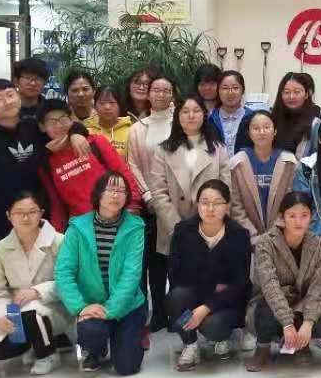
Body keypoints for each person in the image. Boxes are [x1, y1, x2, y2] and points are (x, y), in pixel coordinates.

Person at [149, 94, 241, 330]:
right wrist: (180, 228)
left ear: (204, 115)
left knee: (213, 278)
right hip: (174, 227)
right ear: (177, 116)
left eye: (196, 111)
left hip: (211, 225)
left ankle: (210, 323)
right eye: (185, 111)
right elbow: (159, 192)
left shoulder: (217, 149)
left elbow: (226, 189)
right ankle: (186, 332)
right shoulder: (163, 150)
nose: (191, 116)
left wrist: (212, 220)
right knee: (181, 283)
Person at [0, 78, 86, 253]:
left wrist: (75, 134)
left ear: (18, 97)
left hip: (41, 208)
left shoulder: (33, 125)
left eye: (10, 95)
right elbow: (0, 176)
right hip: (6, 212)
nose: (7, 102)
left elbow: (67, 126)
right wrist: (45, 153)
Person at [55, 171, 147, 375]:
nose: (116, 195)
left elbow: (131, 276)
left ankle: (121, 335)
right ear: (98, 194)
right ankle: (95, 349)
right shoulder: (77, 227)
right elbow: (63, 272)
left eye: (121, 191)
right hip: (92, 305)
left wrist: (110, 311)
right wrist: (80, 307)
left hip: (127, 305)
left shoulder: (135, 227)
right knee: (91, 332)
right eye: (111, 190)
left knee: (127, 367)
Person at [0, 191, 69, 375]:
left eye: (32, 212)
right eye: (19, 212)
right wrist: (0, 316)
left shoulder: (60, 241)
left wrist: (37, 292)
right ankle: (34, 343)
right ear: (8, 215)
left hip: (56, 305)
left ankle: (47, 354)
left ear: (41, 213)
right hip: (15, 310)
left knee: (33, 313)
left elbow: (71, 282)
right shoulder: (0, 250)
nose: (26, 217)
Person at [166, 180, 251, 370]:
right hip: (194, 295)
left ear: (227, 206)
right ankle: (190, 344)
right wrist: (199, 299)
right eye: (205, 202)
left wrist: (207, 307)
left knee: (213, 326)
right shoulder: (183, 231)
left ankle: (222, 337)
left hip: (226, 302)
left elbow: (239, 284)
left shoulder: (239, 235)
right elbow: (175, 275)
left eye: (217, 203)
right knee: (176, 297)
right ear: (197, 204)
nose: (210, 208)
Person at [244, 191, 321, 371]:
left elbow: (319, 287)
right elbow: (270, 286)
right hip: (270, 303)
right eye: (292, 216)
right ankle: (262, 348)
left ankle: (302, 345)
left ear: (311, 217)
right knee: (265, 311)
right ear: (282, 217)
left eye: (304, 215)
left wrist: (308, 323)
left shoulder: (319, 245)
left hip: (302, 303)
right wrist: (287, 322)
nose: (298, 221)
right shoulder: (265, 243)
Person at [36, 99, 139, 229]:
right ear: (42, 126)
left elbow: (123, 173)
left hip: (118, 218)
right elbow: (57, 204)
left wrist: (133, 206)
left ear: (71, 119)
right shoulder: (47, 163)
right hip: (83, 228)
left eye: (63, 119)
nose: (59, 125)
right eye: (52, 122)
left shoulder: (96, 143)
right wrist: (58, 232)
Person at [125, 73, 176, 326]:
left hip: (177, 203)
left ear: (172, 94)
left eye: (166, 90)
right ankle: (154, 315)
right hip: (149, 206)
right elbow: (132, 163)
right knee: (151, 261)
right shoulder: (138, 128)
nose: (161, 94)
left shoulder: (181, 124)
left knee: (175, 260)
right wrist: (148, 196)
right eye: (156, 90)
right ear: (149, 94)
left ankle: (176, 311)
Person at [228, 110, 298, 234]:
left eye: (266, 127)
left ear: (275, 131)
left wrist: (274, 235)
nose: (262, 132)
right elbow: (236, 207)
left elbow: (291, 202)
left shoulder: (289, 162)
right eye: (256, 128)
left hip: (281, 234)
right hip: (247, 236)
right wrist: (254, 236)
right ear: (249, 133)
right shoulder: (237, 163)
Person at [271, 71, 321, 157]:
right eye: (286, 92)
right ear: (280, 94)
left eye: (297, 92)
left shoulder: (315, 123)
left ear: (306, 94)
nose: (291, 96)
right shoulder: (271, 118)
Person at [209, 69, 254, 155]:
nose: (230, 92)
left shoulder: (253, 118)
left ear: (243, 91)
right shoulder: (210, 120)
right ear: (218, 91)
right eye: (225, 88)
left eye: (235, 88)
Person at [84, 85, 134, 159]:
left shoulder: (131, 131)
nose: (107, 107)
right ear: (94, 106)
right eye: (102, 103)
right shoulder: (86, 132)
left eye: (112, 102)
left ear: (119, 105)